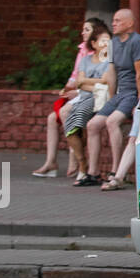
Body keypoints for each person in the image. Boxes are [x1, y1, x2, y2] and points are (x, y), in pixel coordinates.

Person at [33, 17, 106, 178]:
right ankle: (51, 162)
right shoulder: (82, 51)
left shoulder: (101, 52)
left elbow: (102, 81)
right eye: (83, 29)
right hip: (81, 94)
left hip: (93, 96)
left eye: (87, 30)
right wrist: (66, 88)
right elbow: (75, 76)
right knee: (52, 118)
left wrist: (78, 91)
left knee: (66, 112)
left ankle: (76, 159)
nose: (83, 33)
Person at [83, 9, 140, 188]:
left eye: (118, 20)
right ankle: (93, 172)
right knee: (93, 125)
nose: (114, 23)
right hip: (120, 94)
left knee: (112, 122)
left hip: (134, 93)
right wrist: (111, 100)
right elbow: (111, 72)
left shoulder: (138, 42)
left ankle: (115, 170)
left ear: (129, 23)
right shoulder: (113, 43)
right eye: (114, 20)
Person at [64, 26, 114, 186]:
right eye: (103, 41)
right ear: (93, 43)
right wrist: (95, 83)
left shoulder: (110, 60)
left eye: (109, 40)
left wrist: (86, 82)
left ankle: (85, 168)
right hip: (85, 96)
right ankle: (81, 163)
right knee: (70, 124)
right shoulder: (85, 60)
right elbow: (79, 82)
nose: (107, 44)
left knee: (77, 117)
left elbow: (107, 81)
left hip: (99, 99)